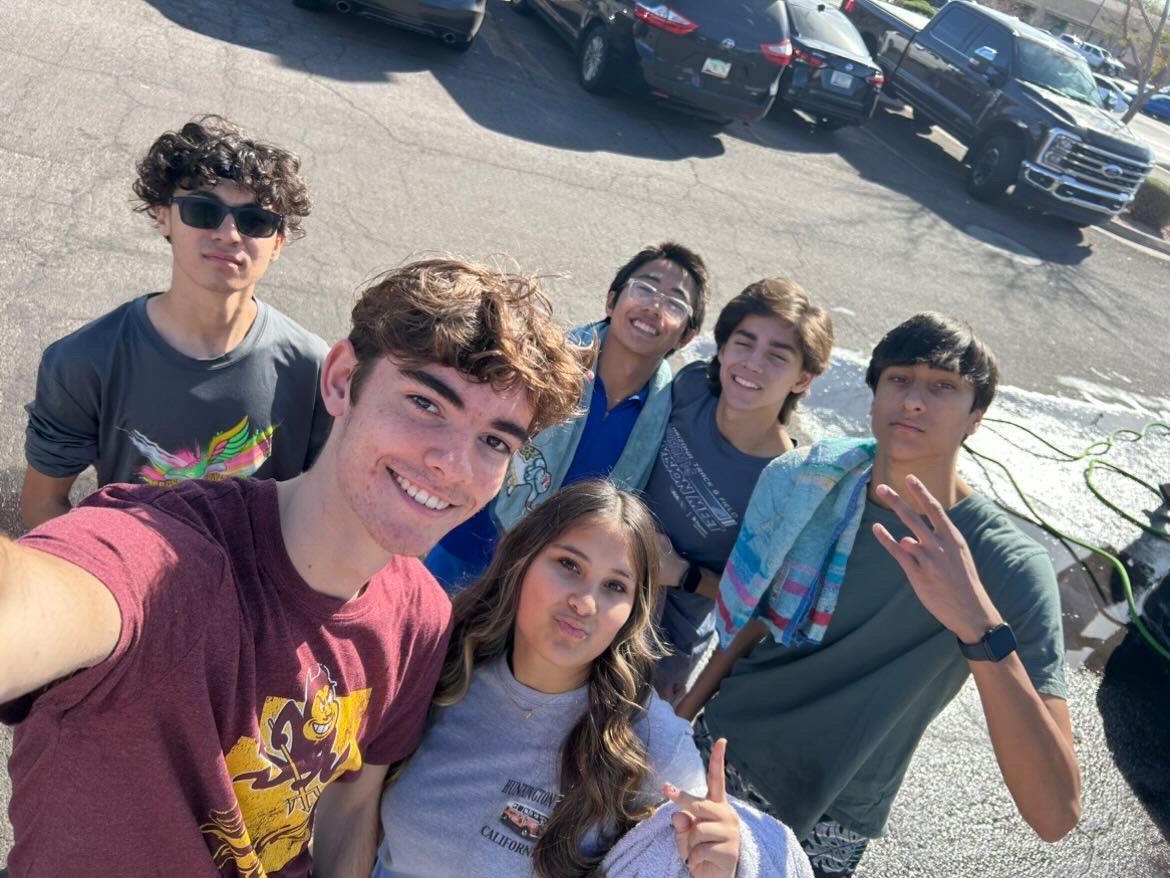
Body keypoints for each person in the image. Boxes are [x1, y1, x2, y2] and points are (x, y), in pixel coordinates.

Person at [0, 258, 591, 877]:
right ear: (340, 381)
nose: (453, 464)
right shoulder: (171, 558)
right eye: (425, 402)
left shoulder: (420, 616)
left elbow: (351, 802)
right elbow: (47, 597)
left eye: (495, 441)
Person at [679, 313, 1081, 877]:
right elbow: (757, 618)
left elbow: (1056, 813)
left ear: (976, 416)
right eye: (899, 379)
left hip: (830, 813)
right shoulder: (816, 482)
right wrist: (680, 719)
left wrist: (976, 623)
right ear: (874, 394)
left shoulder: (1008, 564)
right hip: (719, 746)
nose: (913, 400)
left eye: (943, 386)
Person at [373, 479, 751, 878]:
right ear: (522, 558)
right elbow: (352, 812)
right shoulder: (438, 662)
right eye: (570, 565)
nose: (585, 603)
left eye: (614, 586)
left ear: (631, 613)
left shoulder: (651, 742)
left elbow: (706, 852)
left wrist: (727, 862)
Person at [20, 115, 331, 529]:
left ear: (277, 242)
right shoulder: (84, 361)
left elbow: (325, 503)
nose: (228, 234)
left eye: (256, 220)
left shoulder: (313, 368)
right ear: (163, 216)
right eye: (203, 211)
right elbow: (43, 504)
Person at [424, 242, 710, 592]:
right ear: (611, 301)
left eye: (675, 303)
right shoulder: (540, 363)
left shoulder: (668, 417)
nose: (654, 306)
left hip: (554, 580)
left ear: (687, 335)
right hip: (468, 543)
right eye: (645, 288)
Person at [648, 279, 834, 703]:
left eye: (777, 356)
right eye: (743, 343)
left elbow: (764, 609)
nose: (752, 364)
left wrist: (683, 573)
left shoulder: (789, 483)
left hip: (660, 649)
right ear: (721, 349)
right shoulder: (690, 389)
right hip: (591, 593)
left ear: (802, 378)